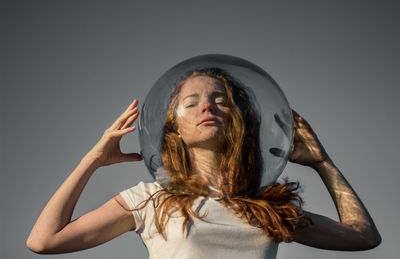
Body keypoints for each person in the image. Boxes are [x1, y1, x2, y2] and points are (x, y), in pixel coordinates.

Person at [27, 68, 381, 258]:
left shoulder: (267, 208)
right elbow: (44, 241)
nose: (207, 107)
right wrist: (93, 159)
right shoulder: (151, 200)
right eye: (191, 102)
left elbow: (363, 237)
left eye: (219, 100)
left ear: (237, 121)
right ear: (175, 128)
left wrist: (323, 163)